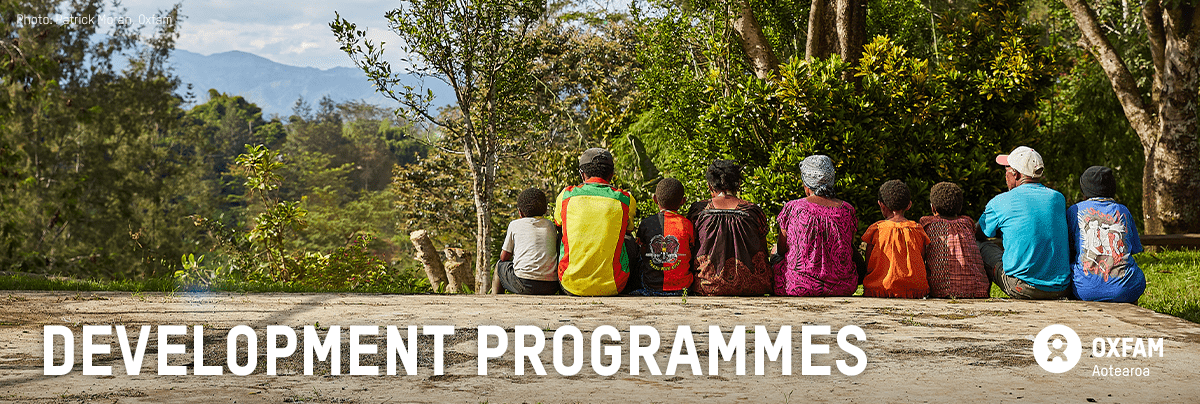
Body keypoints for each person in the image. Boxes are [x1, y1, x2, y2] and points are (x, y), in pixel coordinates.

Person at [976, 146, 1071, 299]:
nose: (1005, 175)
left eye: (1006, 170)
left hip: (1023, 288)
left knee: (982, 246)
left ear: (1016, 173)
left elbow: (978, 233)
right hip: (1060, 288)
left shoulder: (1000, 201)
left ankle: (979, 295)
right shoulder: (1057, 198)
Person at [554, 148, 637, 296]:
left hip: (570, 284)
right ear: (611, 174)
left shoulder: (565, 196)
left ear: (582, 174)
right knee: (628, 239)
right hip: (614, 286)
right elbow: (628, 230)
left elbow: (558, 224)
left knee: (559, 235)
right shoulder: (625, 199)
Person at [773, 155, 860, 297]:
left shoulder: (793, 208)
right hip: (842, 287)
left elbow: (782, 249)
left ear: (806, 185)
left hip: (798, 286)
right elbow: (848, 246)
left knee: (774, 250)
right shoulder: (847, 210)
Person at [686, 160, 772, 296]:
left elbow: (689, 247)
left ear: (710, 186)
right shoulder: (753, 211)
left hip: (708, 285)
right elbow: (763, 251)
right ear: (738, 185)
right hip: (753, 286)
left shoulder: (698, 211)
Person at [1067, 166, 1145, 303]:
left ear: (1084, 191)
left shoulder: (1075, 211)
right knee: (1135, 274)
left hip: (1084, 290)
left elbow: (1069, 250)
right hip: (1125, 290)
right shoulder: (1123, 211)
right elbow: (1131, 249)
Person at [919, 182, 990, 298]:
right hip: (977, 291)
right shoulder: (967, 223)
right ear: (960, 207)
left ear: (933, 208)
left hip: (940, 291)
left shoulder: (927, 224)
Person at [862, 180, 930, 298]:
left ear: (881, 204)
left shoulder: (876, 229)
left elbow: (868, 264)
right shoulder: (917, 229)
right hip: (915, 290)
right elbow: (921, 257)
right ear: (909, 205)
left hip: (880, 288)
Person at [629, 178, 695, 296]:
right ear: (683, 201)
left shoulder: (646, 223)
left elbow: (643, 252)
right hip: (682, 289)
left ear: (655, 199)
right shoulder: (687, 224)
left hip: (651, 287)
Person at [496, 188, 560, 295]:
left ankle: (496, 300)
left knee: (500, 265)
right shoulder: (550, 226)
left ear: (520, 212)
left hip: (524, 284)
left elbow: (503, 257)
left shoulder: (514, 225)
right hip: (551, 286)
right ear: (545, 210)